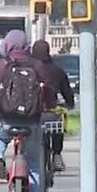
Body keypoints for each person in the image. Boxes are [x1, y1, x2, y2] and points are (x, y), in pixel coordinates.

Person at [0, 30, 51, 192]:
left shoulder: (0, 66)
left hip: (7, 120)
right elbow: (48, 90)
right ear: (26, 45)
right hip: (31, 121)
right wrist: (49, 105)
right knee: (35, 164)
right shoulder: (37, 65)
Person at [30, 39, 76, 173]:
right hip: (50, 111)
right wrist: (69, 103)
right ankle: (57, 154)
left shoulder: (28, 68)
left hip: (31, 113)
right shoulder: (57, 70)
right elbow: (66, 90)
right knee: (58, 124)